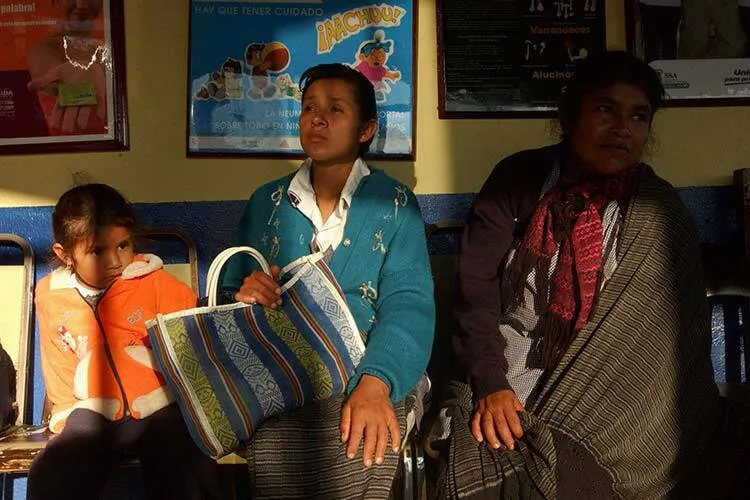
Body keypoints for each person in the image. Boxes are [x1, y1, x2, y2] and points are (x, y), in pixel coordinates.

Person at [434, 51, 750, 498]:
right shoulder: (519, 181)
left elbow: (663, 346)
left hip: (624, 402)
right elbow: (475, 293)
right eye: (605, 109)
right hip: (511, 375)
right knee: (487, 472)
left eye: (638, 116)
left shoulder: (660, 212)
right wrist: (489, 383)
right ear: (569, 115)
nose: (622, 127)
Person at [220, 63, 435, 498]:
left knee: (358, 437)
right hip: (287, 375)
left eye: (335, 109)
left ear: (365, 129)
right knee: (280, 441)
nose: (317, 118)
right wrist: (247, 293)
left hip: (376, 367)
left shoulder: (395, 204)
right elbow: (229, 294)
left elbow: (408, 304)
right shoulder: (267, 203)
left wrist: (376, 383)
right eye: (309, 108)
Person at [28, 184, 221, 500]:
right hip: (95, 407)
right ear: (66, 255)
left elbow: (189, 348)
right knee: (54, 469)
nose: (115, 261)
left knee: (185, 462)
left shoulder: (158, 285)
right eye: (97, 251)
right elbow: (57, 359)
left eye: (123, 245)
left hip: (160, 401)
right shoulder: (53, 296)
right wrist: (65, 410)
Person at [26, 0, 108, 134]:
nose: (81, 4)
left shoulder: (105, 47)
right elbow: (49, 72)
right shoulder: (44, 50)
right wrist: (82, 77)